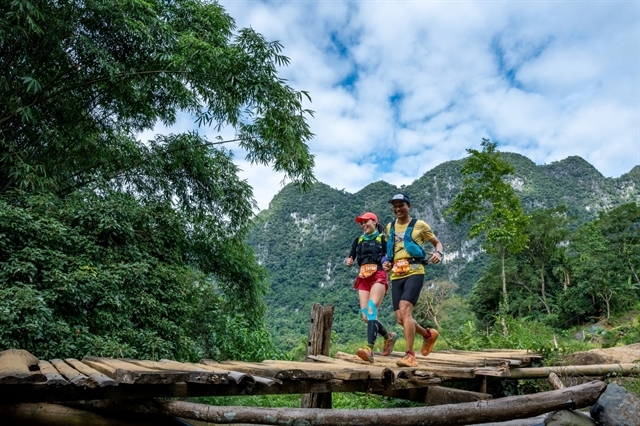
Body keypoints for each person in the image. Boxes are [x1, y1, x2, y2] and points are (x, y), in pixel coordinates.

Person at [382, 194, 444, 368]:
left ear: (408, 206)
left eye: (401, 205)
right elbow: (390, 252)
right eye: (394, 206)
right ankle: (428, 335)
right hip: (396, 274)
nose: (397, 209)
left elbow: (437, 243)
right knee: (401, 318)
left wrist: (438, 253)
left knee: (405, 310)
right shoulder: (389, 227)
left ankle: (410, 355)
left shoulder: (420, 225)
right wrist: (386, 263)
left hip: (415, 271)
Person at [346, 211, 398, 363]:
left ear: (374, 221)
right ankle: (389, 337)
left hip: (378, 275)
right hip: (363, 278)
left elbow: (390, 255)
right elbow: (351, 257)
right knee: (365, 316)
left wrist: (388, 262)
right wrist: (349, 261)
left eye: (365, 222)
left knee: (371, 310)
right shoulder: (359, 240)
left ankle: (369, 349)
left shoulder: (383, 238)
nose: (363, 225)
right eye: (361, 223)